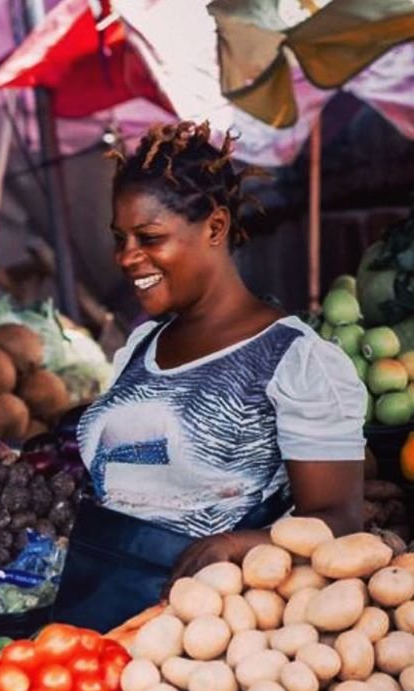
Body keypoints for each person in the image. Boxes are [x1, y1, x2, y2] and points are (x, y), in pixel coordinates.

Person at [52, 121, 365, 631]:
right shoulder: (140, 348)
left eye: (149, 238)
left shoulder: (297, 361)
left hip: (206, 636)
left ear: (215, 228)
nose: (126, 257)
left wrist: (236, 544)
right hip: (95, 614)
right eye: (120, 238)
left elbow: (341, 522)